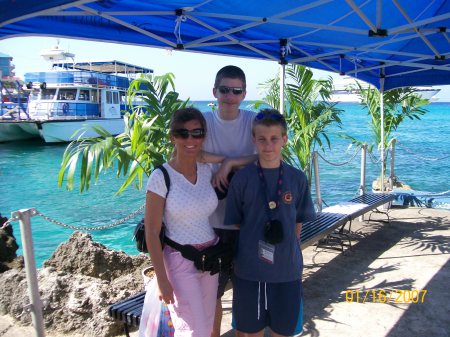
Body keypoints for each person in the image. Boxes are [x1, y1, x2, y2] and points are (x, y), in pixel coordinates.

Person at [224, 109, 317, 337]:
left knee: (283, 331)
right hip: (249, 271)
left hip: (286, 271)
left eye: (274, 139)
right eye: (262, 139)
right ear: (253, 140)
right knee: (248, 332)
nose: (268, 146)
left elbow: (298, 221)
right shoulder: (242, 178)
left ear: (284, 139)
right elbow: (237, 223)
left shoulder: (297, 178)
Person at [144, 107, 224, 337]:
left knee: (208, 325)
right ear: (173, 137)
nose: (191, 139)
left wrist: (224, 163)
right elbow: (151, 231)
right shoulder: (161, 177)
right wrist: (161, 279)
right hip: (179, 260)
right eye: (183, 133)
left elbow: (229, 160)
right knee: (192, 331)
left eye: (197, 133)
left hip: (210, 258)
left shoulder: (206, 170)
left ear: (203, 136)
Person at [202, 65, 258, 337]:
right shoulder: (204, 121)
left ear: (244, 94)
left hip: (246, 223)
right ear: (214, 91)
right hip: (210, 222)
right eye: (224, 90)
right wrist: (224, 162)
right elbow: (192, 153)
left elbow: (268, 155)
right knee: (211, 293)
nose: (229, 96)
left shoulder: (252, 121)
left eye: (236, 91)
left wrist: (231, 163)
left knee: (246, 292)